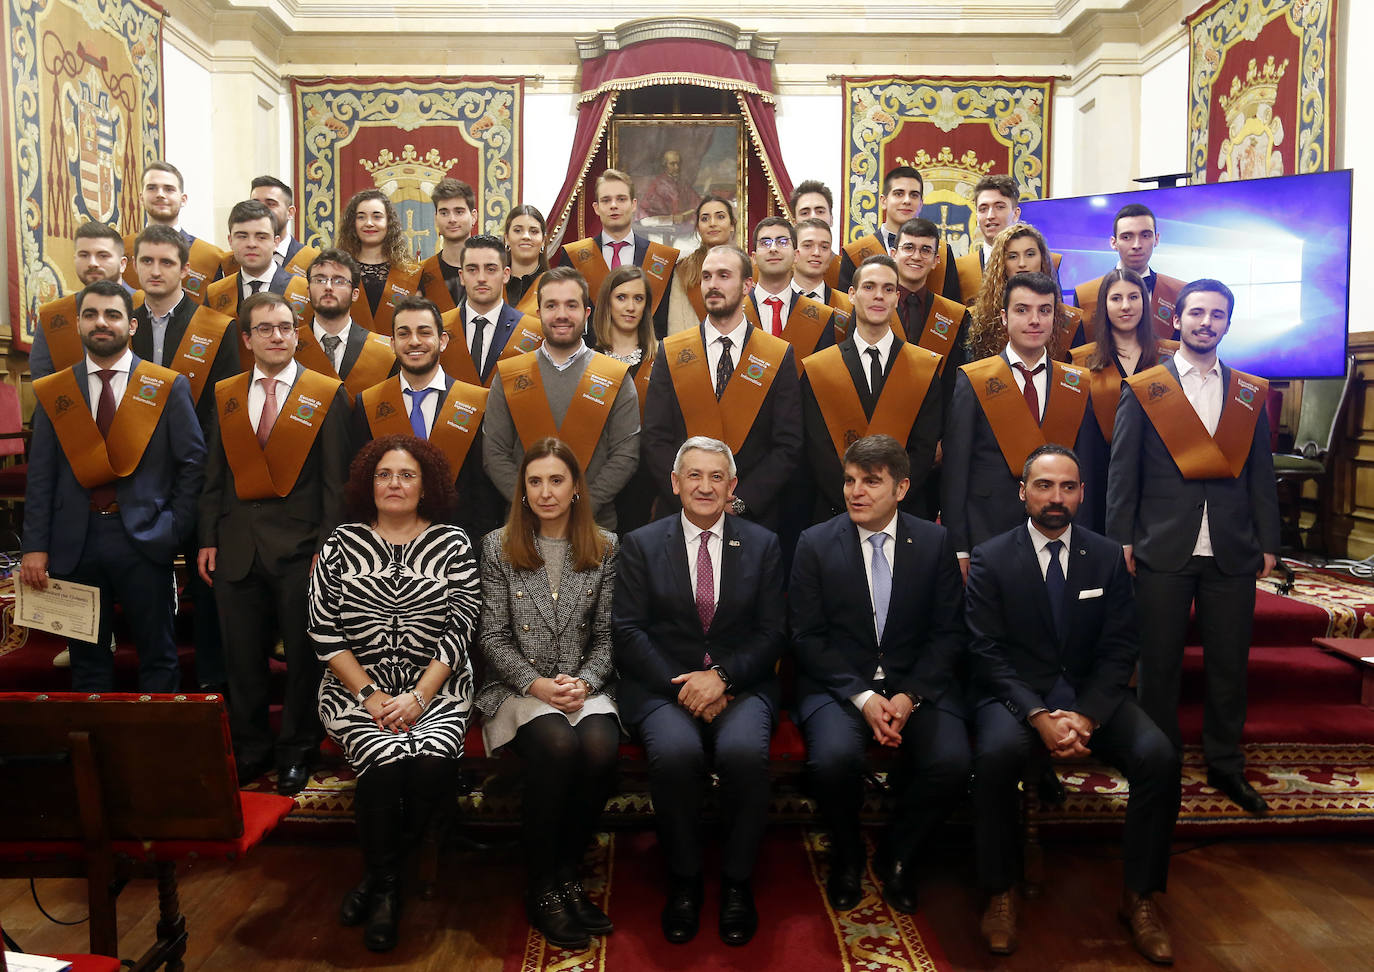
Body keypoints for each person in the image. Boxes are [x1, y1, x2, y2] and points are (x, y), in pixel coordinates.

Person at [967, 444, 1179, 963]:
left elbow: (1120, 646)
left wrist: (1086, 714)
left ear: (1083, 494)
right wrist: (1037, 716)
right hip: (1017, 697)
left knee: (1159, 756)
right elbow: (984, 652)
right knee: (993, 756)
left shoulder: (1106, 556)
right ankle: (999, 891)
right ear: (1023, 494)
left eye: (1067, 487)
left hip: (1091, 698)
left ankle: (1141, 896)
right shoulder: (992, 558)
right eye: (1043, 486)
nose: (1055, 497)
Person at [1107, 278, 1280, 816]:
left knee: (1229, 666)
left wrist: (1268, 542)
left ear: (1228, 323)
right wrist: (1122, 539)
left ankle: (1226, 765)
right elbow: (1123, 472)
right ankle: (1156, 766)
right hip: (1162, 547)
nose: (1207, 322)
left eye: (1218, 315)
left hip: (1231, 549)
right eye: (1197, 313)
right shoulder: (1147, 387)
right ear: (1175, 320)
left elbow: (1260, 473)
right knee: (1158, 667)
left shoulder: (1249, 391)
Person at [612, 436, 786, 947]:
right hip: (663, 686)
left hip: (742, 685)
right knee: (675, 754)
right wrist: (687, 685)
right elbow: (628, 630)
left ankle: (736, 883)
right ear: (674, 483)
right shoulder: (642, 544)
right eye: (694, 475)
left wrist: (724, 679)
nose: (705, 486)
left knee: (742, 755)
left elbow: (774, 631)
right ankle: (684, 882)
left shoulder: (763, 544)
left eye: (716, 477)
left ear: (733, 487)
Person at [309, 434, 479, 953]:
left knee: (430, 761)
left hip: (439, 690)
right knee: (384, 761)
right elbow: (324, 632)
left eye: (407, 475)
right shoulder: (339, 544)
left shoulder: (454, 542)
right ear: (369, 483)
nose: (395, 484)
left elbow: (461, 626)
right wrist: (370, 696)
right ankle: (387, 889)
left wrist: (420, 697)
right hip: (353, 690)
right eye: (384, 474)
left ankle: (381, 876)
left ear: (425, 486)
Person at [790, 434, 969, 914]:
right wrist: (863, 698)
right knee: (832, 760)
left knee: (952, 762)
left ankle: (900, 855)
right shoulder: (815, 543)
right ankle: (846, 858)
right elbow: (807, 637)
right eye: (850, 480)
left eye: (871, 481)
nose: (856, 492)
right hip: (838, 684)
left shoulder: (935, 542)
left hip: (916, 684)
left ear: (902, 487)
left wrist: (910, 695)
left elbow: (949, 633)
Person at [198, 291, 352, 794]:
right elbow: (214, 475)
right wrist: (208, 538)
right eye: (265, 328)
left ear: (296, 333)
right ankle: (250, 750)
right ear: (247, 338)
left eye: (286, 327)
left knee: (305, 662)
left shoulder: (325, 393)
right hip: (236, 547)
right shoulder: (226, 394)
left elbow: (336, 484)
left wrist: (327, 549)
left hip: (301, 552)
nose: (277, 336)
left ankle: (295, 751)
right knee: (242, 660)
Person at [20, 280, 205, 692]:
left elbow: (193, 464)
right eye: (90, 315)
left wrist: (172, 527)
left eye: (112, 315)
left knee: (158, 658)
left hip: (144, 539)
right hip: (74, 543)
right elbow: (41, 474)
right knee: (87, 664)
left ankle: (155, 755)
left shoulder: (165, 385)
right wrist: (35, 545)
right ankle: (99, 758)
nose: (101, 323)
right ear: (79, 325)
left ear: (132, 325)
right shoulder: (56, 391)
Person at [477, 438, 620, 950]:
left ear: (576, 487)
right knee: (558, 745)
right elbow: (491, 636)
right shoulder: (498, 544)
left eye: (556, 480)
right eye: (534, 481)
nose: (545, 491)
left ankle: (566, 874)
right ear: (522, 489)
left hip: (583, 683)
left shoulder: (604, 546)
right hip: (518, 686)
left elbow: (606, 636)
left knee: (601, 748)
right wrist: (536, 684)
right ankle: (541, 884)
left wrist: (586, 681)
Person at [130, 225, 242, 692]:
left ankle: (212, 689)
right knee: (143, 586)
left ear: (185, 269)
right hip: (134, 475)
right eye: (148, 261)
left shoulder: (216, 328)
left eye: (166, 262)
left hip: (199, 473)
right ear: (134, 266)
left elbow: (224, 408)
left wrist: (207, 470)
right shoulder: (123, 322)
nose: (156, 271)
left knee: (208, 587)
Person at [942, 271, 1093, 580]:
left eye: (1044, 310)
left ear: (1055, 318)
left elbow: (1084, 468)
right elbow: (956, 471)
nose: (1034, 320)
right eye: (1022, 310)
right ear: (1003, 317)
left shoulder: (1074, 383)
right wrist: (959, 546)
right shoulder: (974, 379)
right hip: (988, 532)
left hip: (1059, 532)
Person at [642, 246, 802, 530]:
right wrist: (690, 497)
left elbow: (787, 445)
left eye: (724, 276)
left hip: (752, 520)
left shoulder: (777, 354)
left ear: (746, 286)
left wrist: (741, 501)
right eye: (706, 277)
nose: (713, 285)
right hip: (680, 515)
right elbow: (656, 438)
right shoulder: (672, 351)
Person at [482, 267, 640, 531]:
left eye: (571, 305)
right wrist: (531, 504)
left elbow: (626, 455)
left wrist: (580, 506)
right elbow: (494, 454)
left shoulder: (615, 377)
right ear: (539, 313)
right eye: (552, 305)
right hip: (524, 529)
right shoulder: (509, 375)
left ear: (586, 313)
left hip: (594, 528)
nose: (562, 315)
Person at [354, 295, 502, 548]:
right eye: (404, 333)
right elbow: (361, 484)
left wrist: (478, 547)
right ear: (392, 343)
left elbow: (486, 488)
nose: (414, 342)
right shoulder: (367, 404)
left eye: (424, 332)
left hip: (460, 545)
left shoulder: (478, 403)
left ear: (442, 341)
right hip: (386, 547)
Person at [802, 255, 941, 520]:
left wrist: (890, 501)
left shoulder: (925, 366)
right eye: (869, 287)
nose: (879, 296)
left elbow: (923, 450)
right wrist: (852, 498)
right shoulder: (819, 367)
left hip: (904, 513)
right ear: (852, 295)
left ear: (897, 298)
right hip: (835, 513)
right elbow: (816, 449)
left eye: (888, 289)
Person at [1069, 268, 1179, 533]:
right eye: (1116, 298)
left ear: (1145, 302)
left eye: (1134, 297)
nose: (1126, 306)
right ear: (1104, 306)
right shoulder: (1081, 362)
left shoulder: (1170, 356)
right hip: (1099, 477)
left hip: (1157, 478)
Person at [560, 169, 678, 339]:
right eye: (606, 200)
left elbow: (664, 320)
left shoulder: (661, 258)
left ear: (634, 204)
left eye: (621, 199)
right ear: (596, 208)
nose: (613, 205)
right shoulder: (573, 256)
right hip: (591, 358)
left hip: (647, 359)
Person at [591, 266, 657, 533]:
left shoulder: (663, 359)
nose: (630, 306)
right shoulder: (587, 358)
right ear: (607, 302)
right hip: (599, 483)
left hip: (649, 484)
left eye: (638, 299)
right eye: (621, 297)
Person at [837, 165, 960, 302]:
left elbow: (952, 310)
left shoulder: (942, 252)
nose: (907, 200)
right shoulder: (855, 253)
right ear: (884, 201)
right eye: (899, 193)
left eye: (914, 195)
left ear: (920, 204)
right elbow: (846, 309)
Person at [966, 223, 1081, 365]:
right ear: (1001, 263)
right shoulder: (978, 318)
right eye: (1012, 256)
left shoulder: (1069, 322)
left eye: (1030, 254)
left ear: (1042, 259)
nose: (1022, 263)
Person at [32, 221, 134, 379]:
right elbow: (44, 381)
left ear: (122, 264)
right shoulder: (54, 315)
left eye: (102, 255)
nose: (92, 263)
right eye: (84, 255)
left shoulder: (145, 306)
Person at [294, 249, 398, 402]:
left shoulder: (385, 353)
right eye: (320, 280)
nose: (328, 287)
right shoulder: (290, 345)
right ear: (308, 291)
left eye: (339, 281)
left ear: (355, 294)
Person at [439, 234, 542, 387]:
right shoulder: (438, 326)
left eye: (491, 269)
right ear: (461, 276)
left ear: (506, 274)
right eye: (472, 269)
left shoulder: (535, 333)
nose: (481, 278)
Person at [1073, 203, 1185, 343]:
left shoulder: (1179, 292)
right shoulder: (1085, 295)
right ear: (1113, 243)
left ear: (1156, 239)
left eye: (1145, 235)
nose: (1136, 245)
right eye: (1127, 237)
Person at [121, 160, 225, 302]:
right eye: (152, 188)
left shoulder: (211, 258)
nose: (160, 194)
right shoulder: (122, 248)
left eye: (169, 189)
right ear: (141, 198)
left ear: (183, 199)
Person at [952, 174, 1064, 303]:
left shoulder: (1048, 262)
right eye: (983, 209)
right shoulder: (961, 268)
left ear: (1016, 214)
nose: (990, 215)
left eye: (999, 207)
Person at [745, 216, 838, 368]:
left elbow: (824, 376)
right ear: (754, 257)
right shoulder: (736, 312)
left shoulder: (821, 317)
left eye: (782, 242)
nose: (773, 248)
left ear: (796, 255)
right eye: (765, 242)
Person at [334, 188, 422, 334]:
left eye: (377, 217)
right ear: (352, 223)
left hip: (395, 353)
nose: (368, 223)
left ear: (389, 222)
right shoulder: (338, 269)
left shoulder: (409, 272)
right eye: (361, 217)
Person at [205, 200, 298, 318]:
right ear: (230, 241)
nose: (251, 244)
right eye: (242, 236)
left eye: (261, 237)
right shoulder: (215, 293)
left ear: (275, 242)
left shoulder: (302, 291)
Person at [666, 195, 738, 336]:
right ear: (698, 228)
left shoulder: (748, 268)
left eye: (720, 217)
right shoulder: (684, 269)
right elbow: (677, 324)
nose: (712, 223)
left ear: (732, 225)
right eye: (705, 218)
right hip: (696, 350)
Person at [417, 178, 476, 313]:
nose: (452, 219)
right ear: (435, 218)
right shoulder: (421, 273)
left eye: (459, 212)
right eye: (444, 213)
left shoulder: (492, 271)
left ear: (473, 216)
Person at [249, 175, 320, 276]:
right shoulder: (234, 261)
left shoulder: (314, 261)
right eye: (255, 204)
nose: (261, 210)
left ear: (290, 212)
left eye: (271, 204)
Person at [792, 217, 853, 334]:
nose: (816, 253)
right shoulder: (775, 301)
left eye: (824, 247)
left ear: (830, 255)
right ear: (793, 253)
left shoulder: (847, 306)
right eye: (807, 245)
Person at [788, 179, 842, 293]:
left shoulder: (845, 270)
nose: (813, 217)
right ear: (794, 222)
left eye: (820, 211)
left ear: (831, 219)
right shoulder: (780, 268)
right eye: (805, 213)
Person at [636, 149, 701, 231]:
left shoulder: (682, 184)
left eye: (678, 164)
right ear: (664, 165)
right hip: (664, 233)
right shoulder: (657, 186)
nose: (676, 167)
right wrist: (672, 219)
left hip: (686, 229)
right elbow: (645, 219)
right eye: (672, 164)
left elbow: (697, 202)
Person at [504, 204, 550, 313]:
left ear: (543, 240)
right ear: (507, 238)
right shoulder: (494, 285)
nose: (526, 236)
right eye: (518, 230)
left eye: (533, 231)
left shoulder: (556, 285)